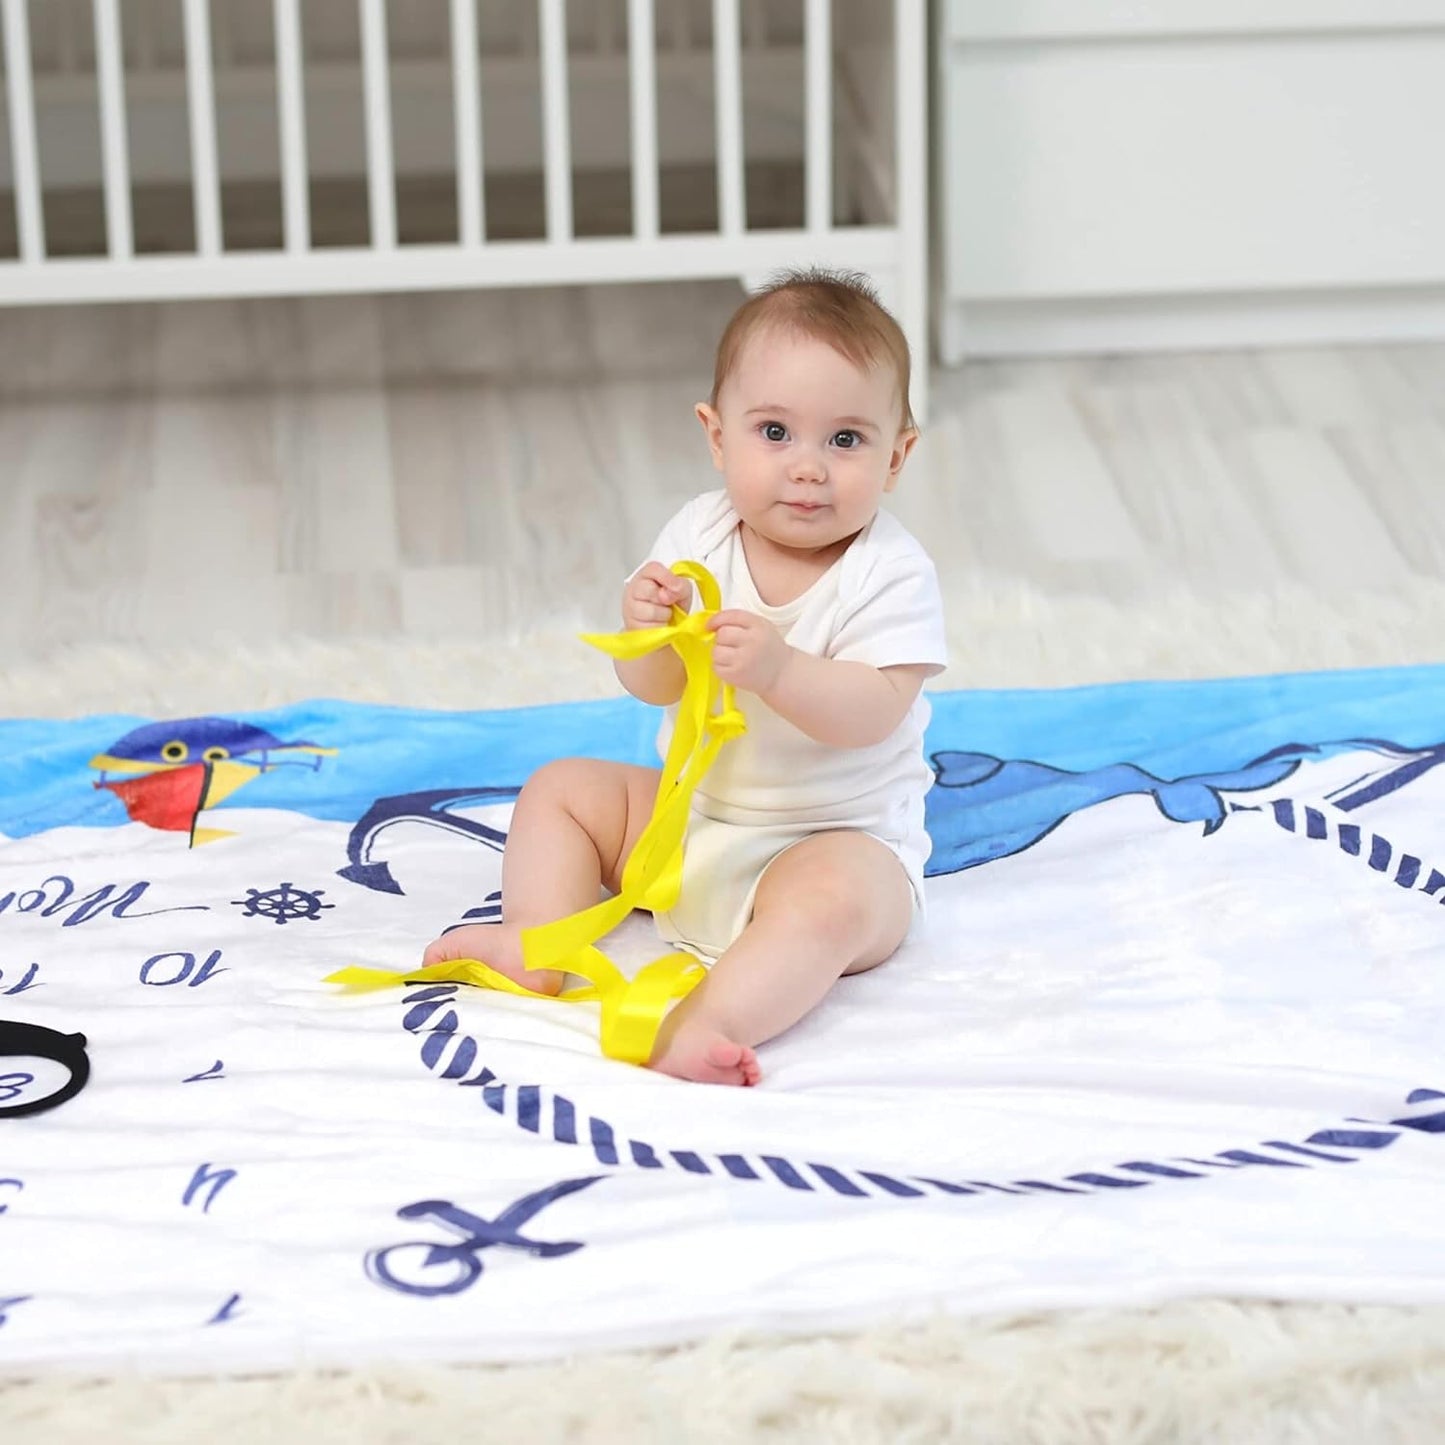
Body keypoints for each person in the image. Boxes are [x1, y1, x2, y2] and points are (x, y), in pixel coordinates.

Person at [423, 268, 947, 1086]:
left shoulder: (889, 572)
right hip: (686, 824)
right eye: (774, 432)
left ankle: (714, 1016)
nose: (807, 467)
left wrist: (778, 669)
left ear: (896, 454)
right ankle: (537, 941)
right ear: (716, 436)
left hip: (825, 839)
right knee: (562, 789)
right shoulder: (699, 532)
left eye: (844, 440)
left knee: (840, 899)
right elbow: (656, 688)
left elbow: (874, 711)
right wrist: (647, 633)